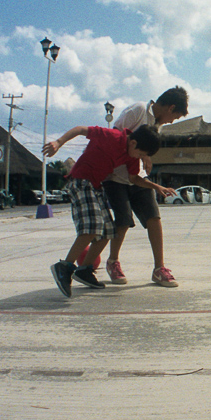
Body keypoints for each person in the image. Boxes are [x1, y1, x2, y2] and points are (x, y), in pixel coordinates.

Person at [43, 124, 162, 298]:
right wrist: (58, 142)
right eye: (141, 154)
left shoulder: (131, 157)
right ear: (133, 143)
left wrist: (156, 186)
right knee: (93, 226)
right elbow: (80, 129)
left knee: (108, 232)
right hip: (80, 181)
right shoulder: (111, 136)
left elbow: (134, 179)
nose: (141, 158)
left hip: (96, 187)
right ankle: (65, 266)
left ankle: (84, 269)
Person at [102, 87, 188, 287]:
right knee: (123, 221)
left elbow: (145, 144)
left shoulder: (157, 125)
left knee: (154, 217)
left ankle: (159, 269)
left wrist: (145, 155)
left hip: (138, 176)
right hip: (116, 175)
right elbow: (115, 134)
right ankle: (113, 262)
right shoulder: (139, 110)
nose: (171, 121)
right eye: (174, 117)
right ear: (170, 107)